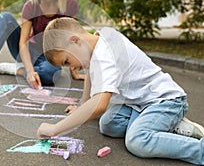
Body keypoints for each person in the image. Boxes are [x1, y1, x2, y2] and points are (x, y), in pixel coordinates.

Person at [37, 17, 204, 165]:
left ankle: (199, 150)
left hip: (165, 100)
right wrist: (82, 106)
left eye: (66, 61)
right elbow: (89, 74)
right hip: (138, 103)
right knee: (108, 124)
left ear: (75, 40)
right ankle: (160, 126)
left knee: (137, 141)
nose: (71, 67)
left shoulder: (105, 54)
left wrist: (55, 129)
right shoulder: (98, 39)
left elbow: (100, 104)